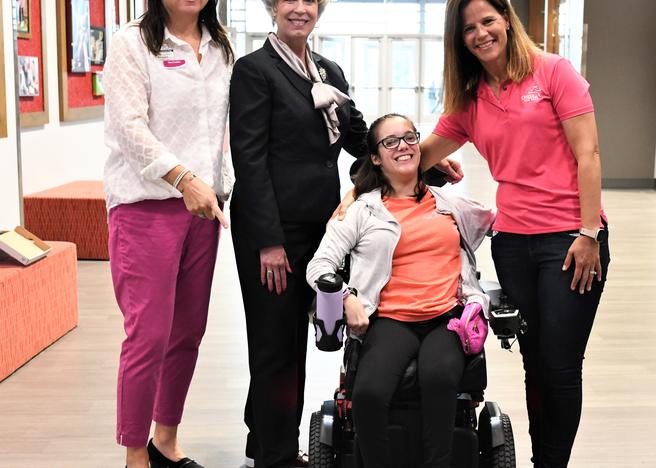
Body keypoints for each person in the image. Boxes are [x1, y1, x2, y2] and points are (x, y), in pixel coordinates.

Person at [420, 1, 611, 467]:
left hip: (570, 240)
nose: (481, 33)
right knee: (534, 365)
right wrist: (359, 188)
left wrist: (588, 232)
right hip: (512, 242)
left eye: (488, 20)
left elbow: (589, 154)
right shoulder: (469, 100)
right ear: (459, 39)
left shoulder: (553, 72)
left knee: (561, 367)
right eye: (469, 28)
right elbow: (413, 156)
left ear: (507, 19)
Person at [307, 114, 495, 468]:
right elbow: (318, 267)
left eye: (409, 137)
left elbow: (507, 219)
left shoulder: (452, 205)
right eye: (390, 141)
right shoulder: (362, 211)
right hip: (391, 320)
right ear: (375, 158)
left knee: (439, 379)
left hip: (446, 318)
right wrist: (347, 299)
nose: (403, 146)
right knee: (368, 394)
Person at [227, 1, 369, 466]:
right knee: (277, 344)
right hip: (273, 233)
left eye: (310, 0)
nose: (300, 8)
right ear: (272, 8)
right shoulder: (255, 70)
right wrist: (269, 241)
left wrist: (415, 154)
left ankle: (261, 441)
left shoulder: (326, 69)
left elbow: (357, 137)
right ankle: (279, 457)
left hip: (320, 229)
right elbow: (249, 158)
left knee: (289, 341)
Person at [103, 0, 234, 466]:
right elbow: (128, 127)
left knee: (187, 333)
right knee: (149, 335)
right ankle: (135, 453)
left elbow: (224, 127)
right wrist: (183, 179)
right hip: (146, 208)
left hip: (204, 209)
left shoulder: (220, 45)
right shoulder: (131, 42)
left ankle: (165, 439)